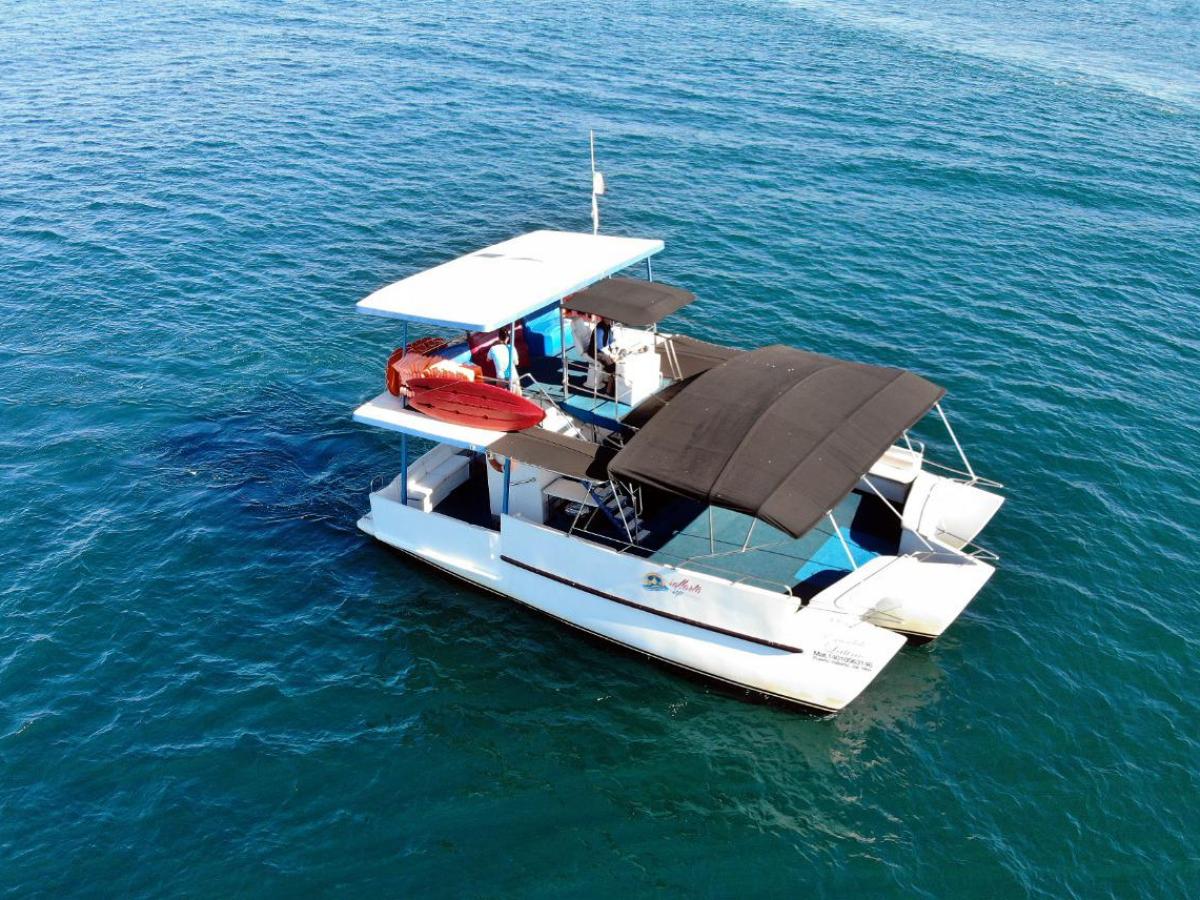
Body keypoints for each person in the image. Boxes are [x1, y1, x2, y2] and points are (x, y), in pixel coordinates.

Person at [487, 325, 520, 393]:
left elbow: (488, 359)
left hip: (501, 377)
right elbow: (516, 363)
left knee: (502, 396)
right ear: (507, 337)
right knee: (518, 396)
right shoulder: (511, 347)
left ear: (498, 337)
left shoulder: (493, 348)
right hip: (512, 376)